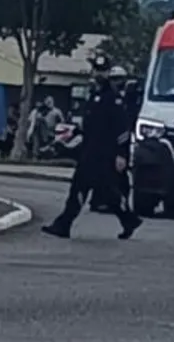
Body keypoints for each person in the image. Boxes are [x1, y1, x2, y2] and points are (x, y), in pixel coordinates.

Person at [42, 56, 143, 239]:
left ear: (108, 73)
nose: (99, 74)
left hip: (105, 154)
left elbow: (122, 129)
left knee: (104, 192)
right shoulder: (94, 96)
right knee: (86, 189)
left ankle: (127, 219)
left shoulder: (113, 99)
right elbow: (90, 124)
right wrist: (72, 136)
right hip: (89, 151)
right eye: (97, 70)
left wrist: (121, 155)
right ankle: (65, 225)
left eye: (103, 71)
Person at [90, 67, 131, 213]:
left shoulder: (129, 97)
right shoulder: (104, 95)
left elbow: (125, 124)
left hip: (122, 142)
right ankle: (99, 201)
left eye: (119, 79)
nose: (116, 82)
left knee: (119, 175)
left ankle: (122, 204)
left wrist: (122, 151)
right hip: (104, 143)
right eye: (114, 79)